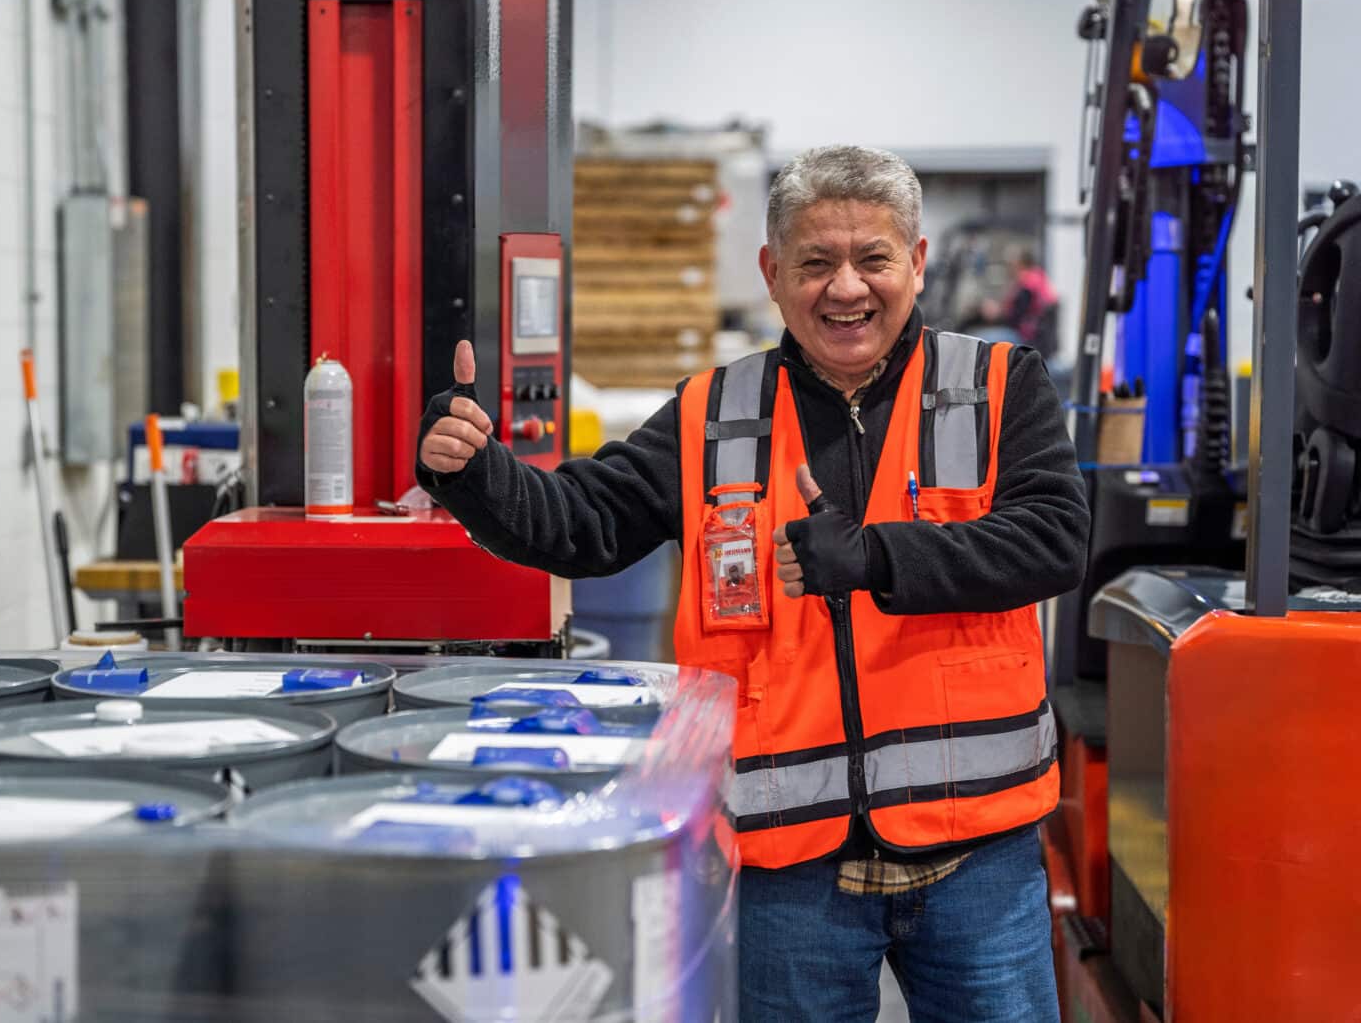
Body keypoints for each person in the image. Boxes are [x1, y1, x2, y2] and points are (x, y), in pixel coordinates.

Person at [417, 145, 1088, 1022]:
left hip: (979, 854)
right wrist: (477, 474)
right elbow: (584, 520)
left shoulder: (998, 387)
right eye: (815, 263)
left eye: (872, 258)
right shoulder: (713, 414)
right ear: (773, 275)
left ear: (916, 263)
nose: (845, 287)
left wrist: (878, 558)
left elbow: (1053, 539)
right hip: (790, 867)